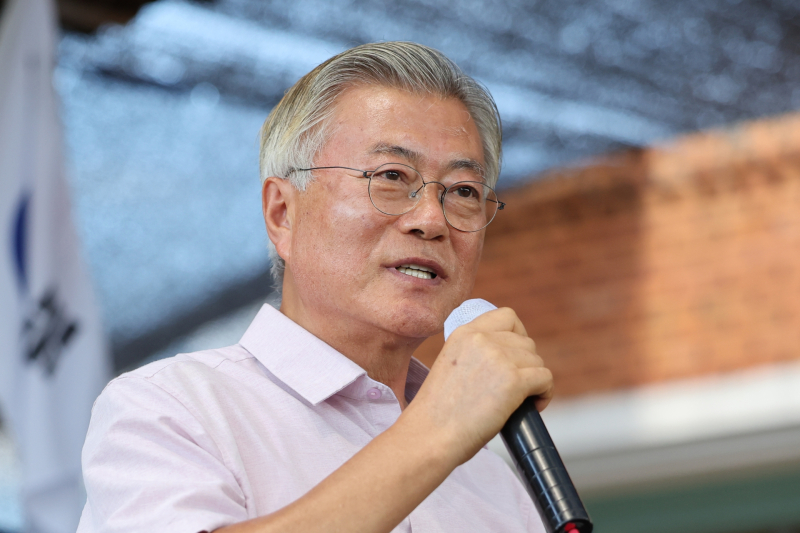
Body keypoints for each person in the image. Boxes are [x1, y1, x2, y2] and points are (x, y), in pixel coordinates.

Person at [77, 41, 553, 533]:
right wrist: (437, 431)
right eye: (391, 176)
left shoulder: (498, 489)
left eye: (464, 191)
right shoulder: (172, 409)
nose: (432, 220)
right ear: (283, 214)